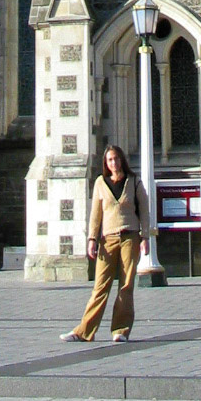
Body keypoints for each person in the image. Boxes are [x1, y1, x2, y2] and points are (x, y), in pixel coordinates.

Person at [60, 144, 151, 343]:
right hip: (107, 239)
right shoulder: (101, 183)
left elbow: (144, 211)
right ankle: (84, 331)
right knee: (100, 285)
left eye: (116, 159)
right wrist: (91, 239)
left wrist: (145, 237)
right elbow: (95, 215)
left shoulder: (134, 182)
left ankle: (121, 330)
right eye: (110, 160)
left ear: (122, 160)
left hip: (130, 236)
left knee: (126, 285)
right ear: (105, 163)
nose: (113, 163)